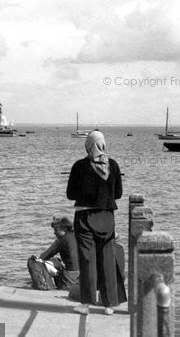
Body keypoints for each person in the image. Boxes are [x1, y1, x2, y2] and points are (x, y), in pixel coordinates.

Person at [67, 130, 122, 315]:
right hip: (107, 218)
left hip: (85, 218)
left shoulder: (80, 166)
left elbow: (70, 194)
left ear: (88, 146)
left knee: (87, 260)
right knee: (107, 259)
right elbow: (119, 194)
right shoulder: (113, 165)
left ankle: (86, 304)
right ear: (103, 144)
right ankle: (109, 305)